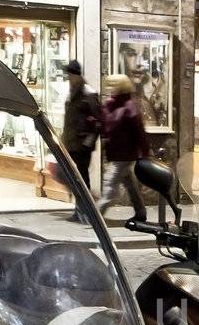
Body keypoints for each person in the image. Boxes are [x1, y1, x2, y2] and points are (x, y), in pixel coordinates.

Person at [96, 74, 150, 222]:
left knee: (110, 183)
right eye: (109, 85)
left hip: (124, 153)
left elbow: (139, 131)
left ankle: (96, 216)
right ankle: (141, 212)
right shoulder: (109, 104)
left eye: (113, 85)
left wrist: (145, 151)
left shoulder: (129, 106)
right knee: (129, 184)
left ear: (121, 87)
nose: (110, 88)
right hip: (114, 151)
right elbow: (104, 125)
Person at [60, 60, 102, 223]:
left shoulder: (88, 92)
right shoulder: (72, 92)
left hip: (82, 144)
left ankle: (85, 211)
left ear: (76, 75)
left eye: (70, 74)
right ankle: (81, 210)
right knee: (73, 178)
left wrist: (88, 141)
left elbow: (98, 120)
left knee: (81, 180)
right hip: (71, 142)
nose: (68, 77)